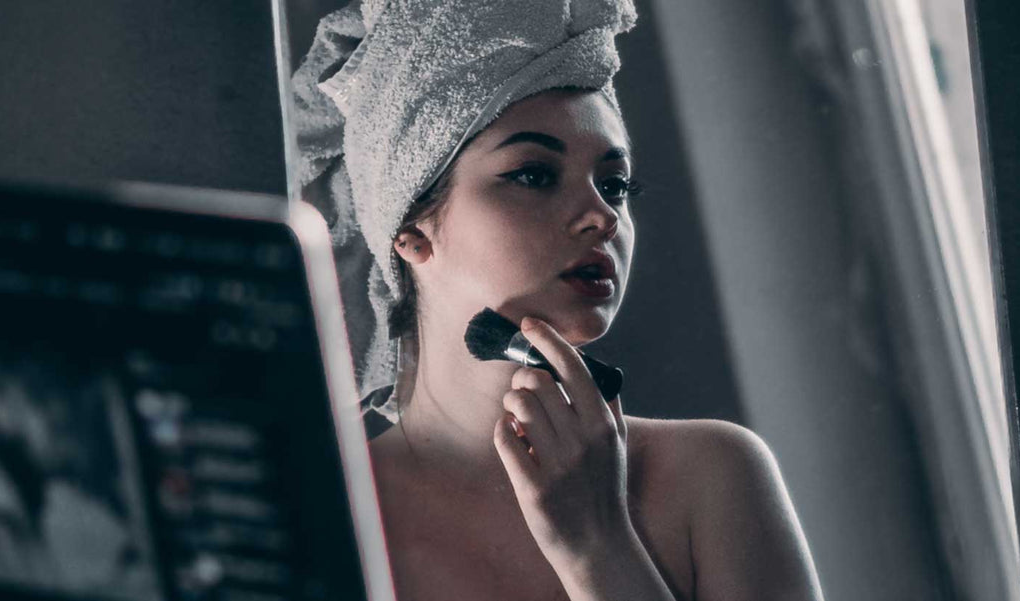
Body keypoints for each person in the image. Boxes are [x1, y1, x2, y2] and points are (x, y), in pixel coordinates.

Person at [291, 1, 823, 599]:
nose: (602, 216)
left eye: (616, 185)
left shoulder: (717, 479)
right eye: (534, 175)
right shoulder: (323, 521)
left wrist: (599, 548)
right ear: (411, 232)